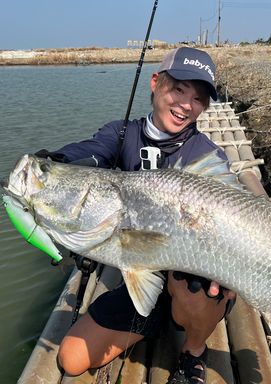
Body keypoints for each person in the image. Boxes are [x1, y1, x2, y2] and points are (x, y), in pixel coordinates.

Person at [38, 47, 236, 384]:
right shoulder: (121, 134)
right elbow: (92, 153)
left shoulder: (207, 155)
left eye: (199, 98)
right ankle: (152, 320)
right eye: (179, 89)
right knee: (71, 359)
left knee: (203, 286)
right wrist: (54, 162)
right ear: (156, 82)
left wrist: (229, 268)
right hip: (139, 272)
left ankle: (194, 348)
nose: (186, 104)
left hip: (188, 280)